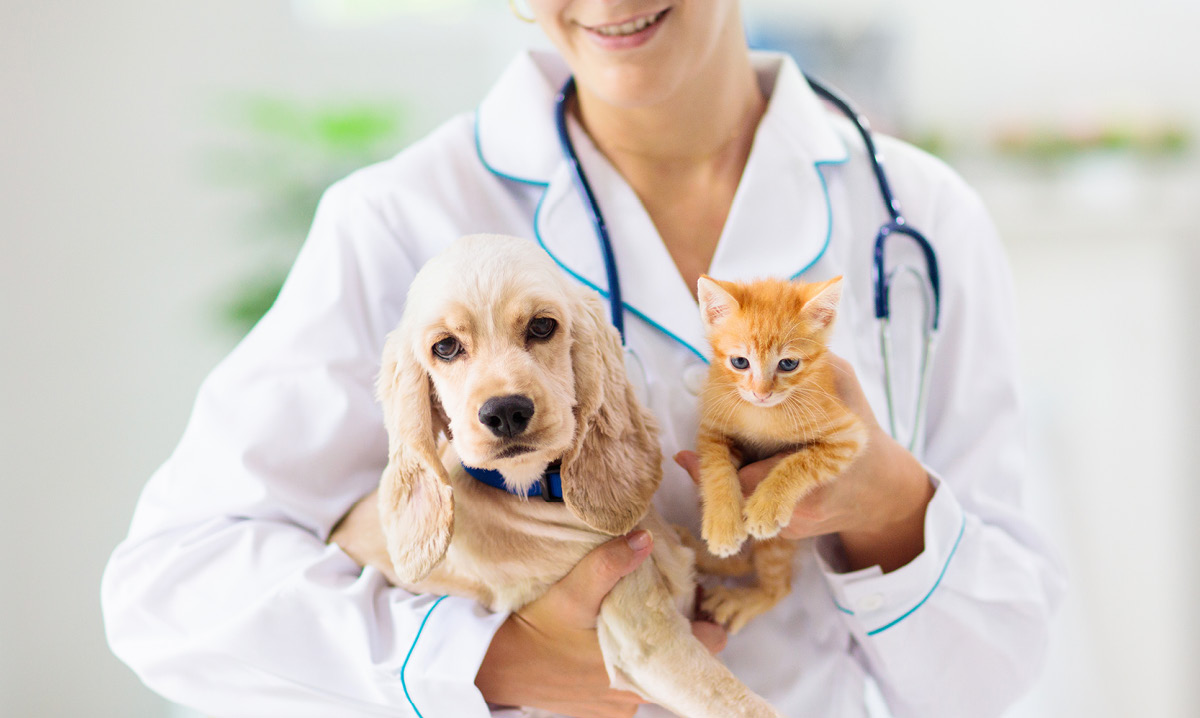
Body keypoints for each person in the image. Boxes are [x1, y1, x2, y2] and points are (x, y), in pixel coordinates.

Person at [101, 2, 1065, 717]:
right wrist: (488, 660)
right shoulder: (397, 222)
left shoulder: (920, 219)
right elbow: (171, 592)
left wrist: (890, 505)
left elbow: (991, 676)